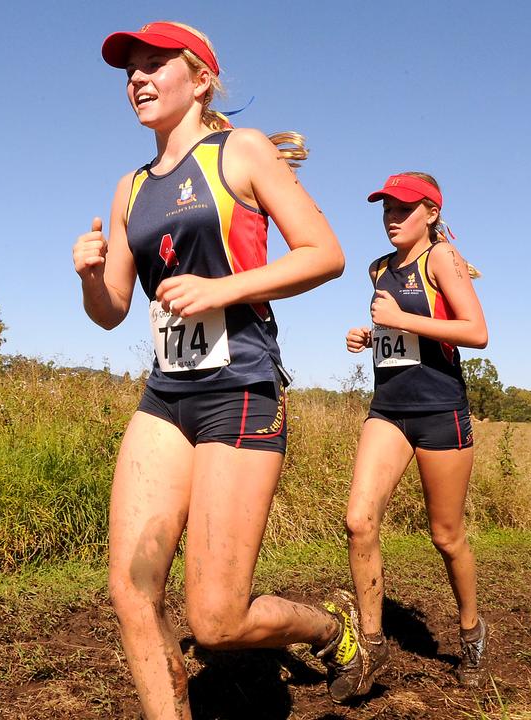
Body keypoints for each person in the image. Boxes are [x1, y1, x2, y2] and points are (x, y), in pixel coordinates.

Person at [72, 21, 365, 717]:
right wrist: (89, 275)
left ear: (200, 78)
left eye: (153, 66)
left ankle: (332, 631)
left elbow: (325, 252)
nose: (136, 79)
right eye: (129, 71)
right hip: (167, 396)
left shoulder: (242, 151)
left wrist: (222, 288)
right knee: (131, 589)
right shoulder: (130, 187)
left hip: (241, 389)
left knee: (216, 621)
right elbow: (112, 309)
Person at [343, 172, 490, 692]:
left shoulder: (441, 259)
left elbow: (477, 332)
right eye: (385, 209)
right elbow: (396, 332)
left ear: (430, 212)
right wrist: (368, 334)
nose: (391, 218)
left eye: (403, 209)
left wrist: (404, 319)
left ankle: (471, 632)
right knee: (358, 521)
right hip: (388, 411)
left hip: (439, 411)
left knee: (446, 537)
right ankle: (371, 644)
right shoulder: (379, 268)